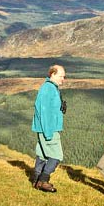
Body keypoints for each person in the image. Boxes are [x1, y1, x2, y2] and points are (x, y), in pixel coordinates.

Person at [31, 64, 66, 192]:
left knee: (42, 154)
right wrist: (48, 132)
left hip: (45, 128)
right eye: (61, 76)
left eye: (64, 77)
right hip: (49, 129)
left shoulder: (51, 88)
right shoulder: (48, 89)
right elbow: (44, 112)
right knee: (56, 155)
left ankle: (35, 180)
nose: (63, 79)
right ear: (52, 74)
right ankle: (43, 181)